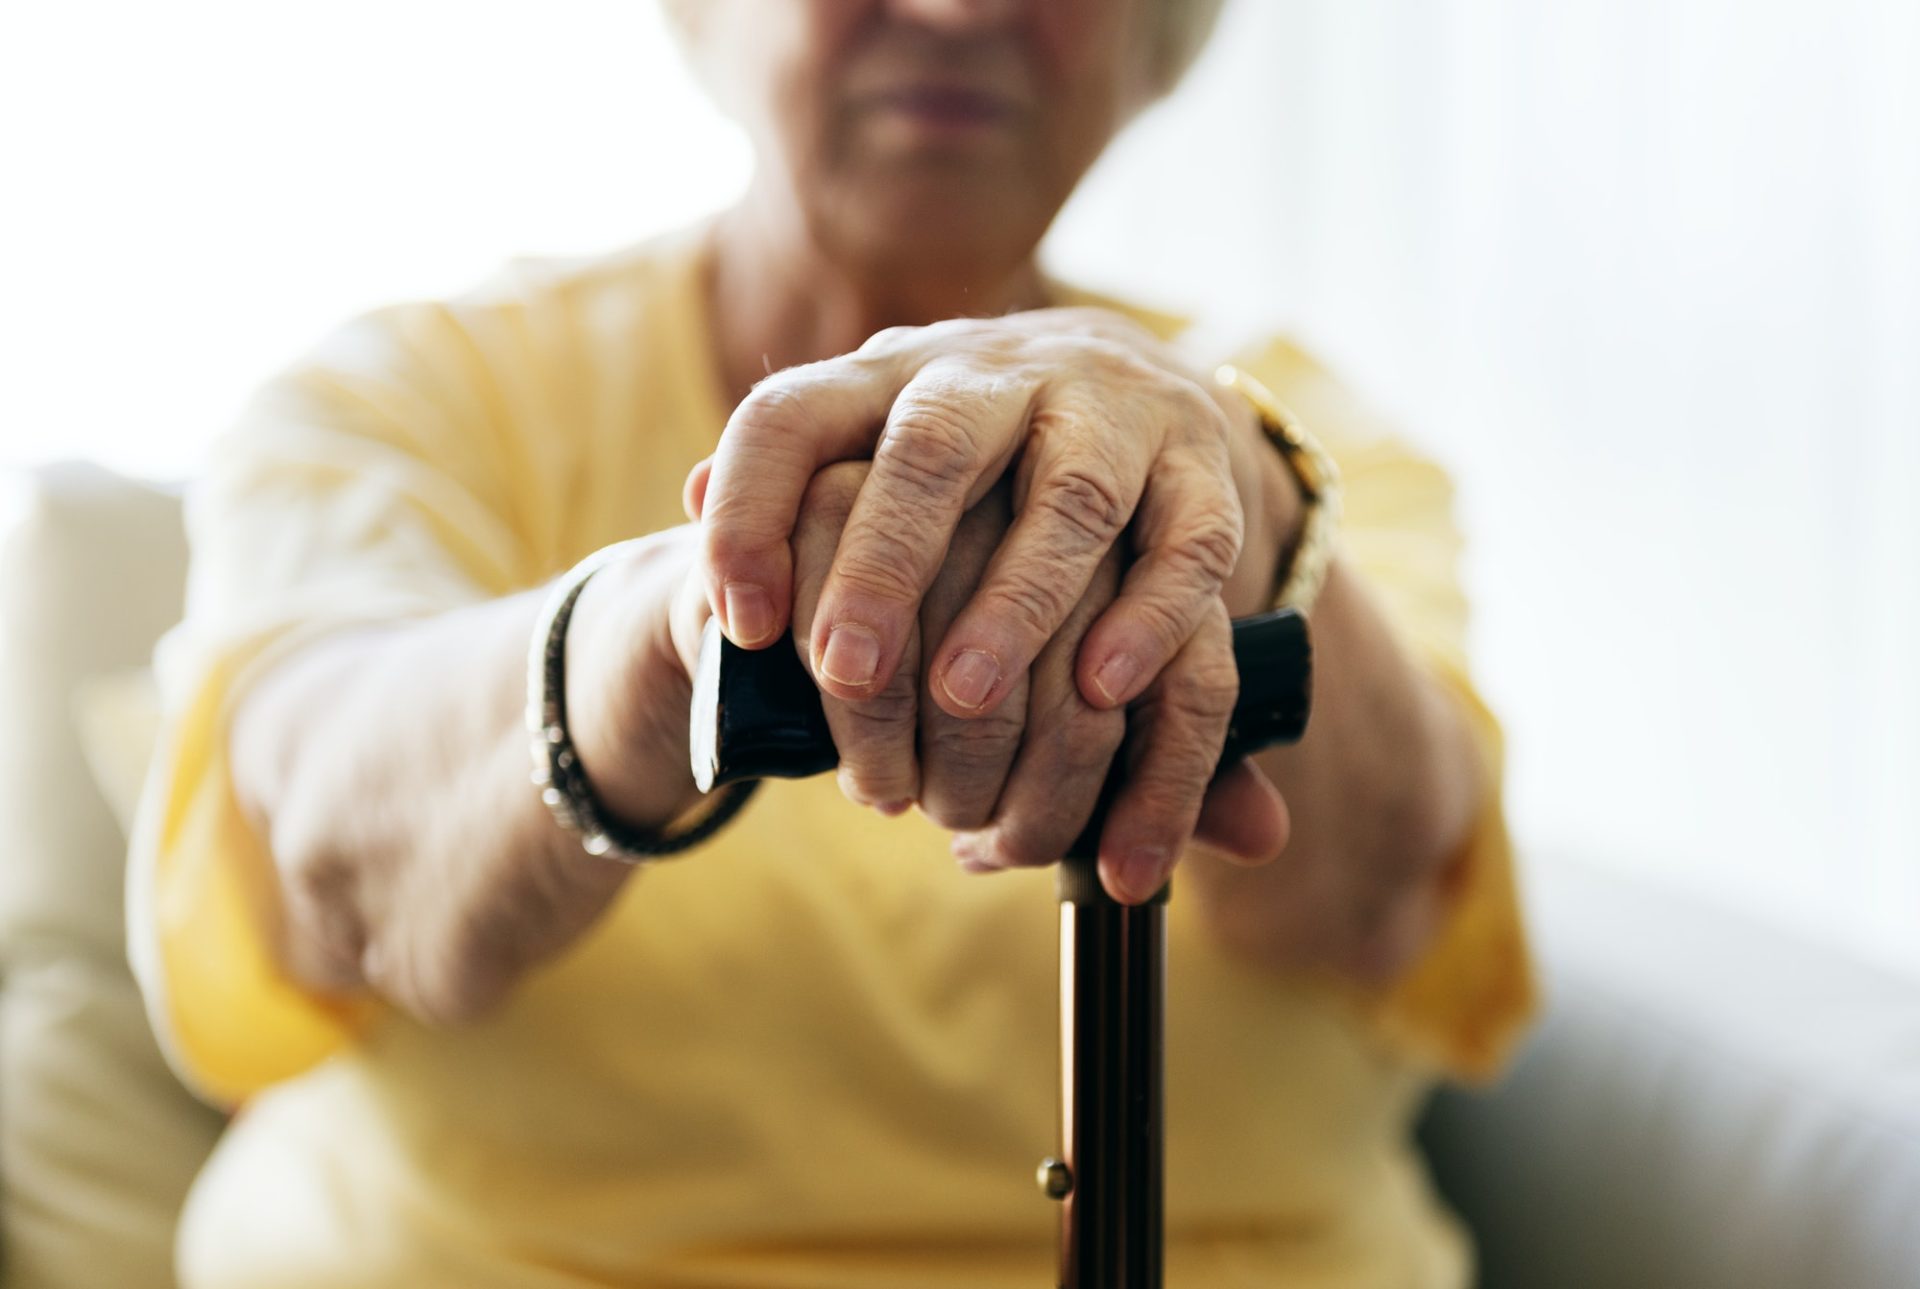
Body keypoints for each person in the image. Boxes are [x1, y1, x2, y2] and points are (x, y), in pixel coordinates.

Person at [128, 1, 1535, 1284]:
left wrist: (1233, 480)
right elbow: (326, 859)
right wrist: (670, 631)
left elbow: (1384, 897)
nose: (959, 11)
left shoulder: (1314, 436)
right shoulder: (412, 396)